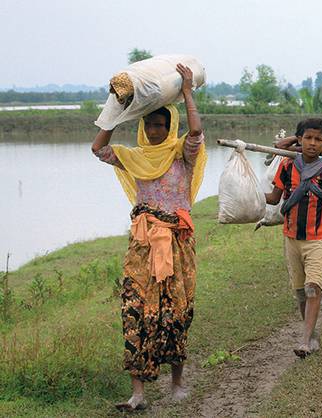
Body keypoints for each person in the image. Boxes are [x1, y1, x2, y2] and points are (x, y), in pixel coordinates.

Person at [91, 64, 205, 412]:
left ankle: (177, 383)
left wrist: (186, 91)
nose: (155, 130)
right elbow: (98, 147)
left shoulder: (180, 154)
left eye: (161, 125)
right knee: (135, 310)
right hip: (142, 245)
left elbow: (197, 133)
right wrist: (116, 106)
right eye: (150, 124)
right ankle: (137, 393)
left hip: (176, 243)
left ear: (170, 127)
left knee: (176, 311)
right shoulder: (134, 157)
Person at [265, 118, 322, 358]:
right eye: (308, 138)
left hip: (318, 239)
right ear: (299, 140)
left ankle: (304, 340)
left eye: (318, 140)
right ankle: (311, 334)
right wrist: (248, 197)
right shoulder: (286, 166)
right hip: (291, 238)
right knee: (301, 292)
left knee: (314, 287)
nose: (312, 143)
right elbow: (273, 197)